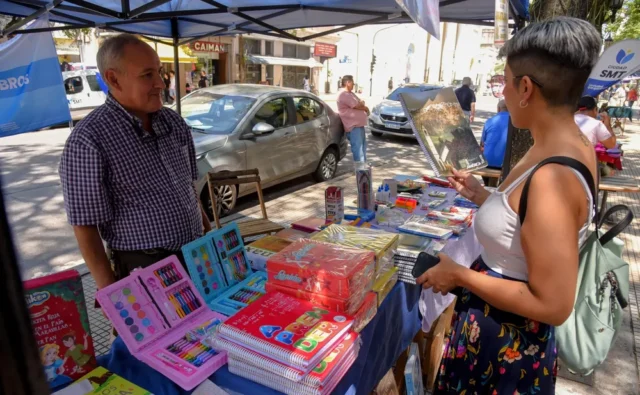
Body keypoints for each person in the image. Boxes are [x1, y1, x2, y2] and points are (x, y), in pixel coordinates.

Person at [418, 17, 600, 394]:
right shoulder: (558, 141)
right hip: (495, 332)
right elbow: (527, 222)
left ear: (526, 88)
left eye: (504, 81)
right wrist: (482, 196)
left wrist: (460, 275)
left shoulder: (554, 178)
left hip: (506, 347)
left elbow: (553, 304)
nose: (501, 92)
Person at [59, 34, 211, 293]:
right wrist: (109, 290)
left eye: (160, 73)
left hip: (196, 254)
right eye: (147, 75)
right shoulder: (89, 140)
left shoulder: (173, 123)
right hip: (144, 267)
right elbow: (85, 226)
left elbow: (189, 188)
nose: (161, 84)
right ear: (113, 79)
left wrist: (208, 237)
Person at [337, 75, 369, 163]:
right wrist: (365, 108)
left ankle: (363, 173)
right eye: (352, 83)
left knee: (362, 151)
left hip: (359, 126)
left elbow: (360, 102)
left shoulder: (350, 93)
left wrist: (362, 104)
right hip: (353, 127)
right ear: (347, 83)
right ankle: (361, 174)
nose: (353, 85)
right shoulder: (344, 94)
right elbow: (357, 105)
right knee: (359, 153)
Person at [480, 99, 509, 185]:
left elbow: (482, 143)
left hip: (488, 162)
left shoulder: (490, 121)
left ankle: (489, 187)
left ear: (499, 109)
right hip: (506, 163)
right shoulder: (515, 121)